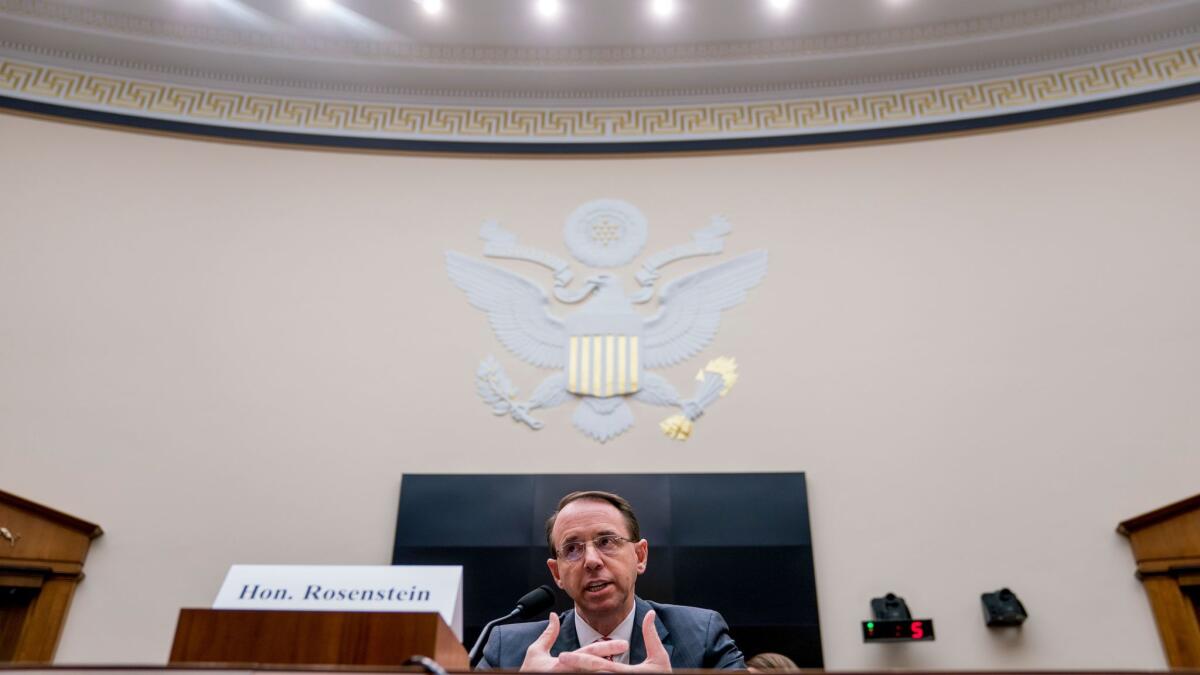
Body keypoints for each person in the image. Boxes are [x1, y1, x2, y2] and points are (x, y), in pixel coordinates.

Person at [477, 490, 745, 672]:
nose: (591, 560)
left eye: (607, 542)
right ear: (557, 573)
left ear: (640, 556)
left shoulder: (701, 635)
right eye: (572, 549)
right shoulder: (508, 649)